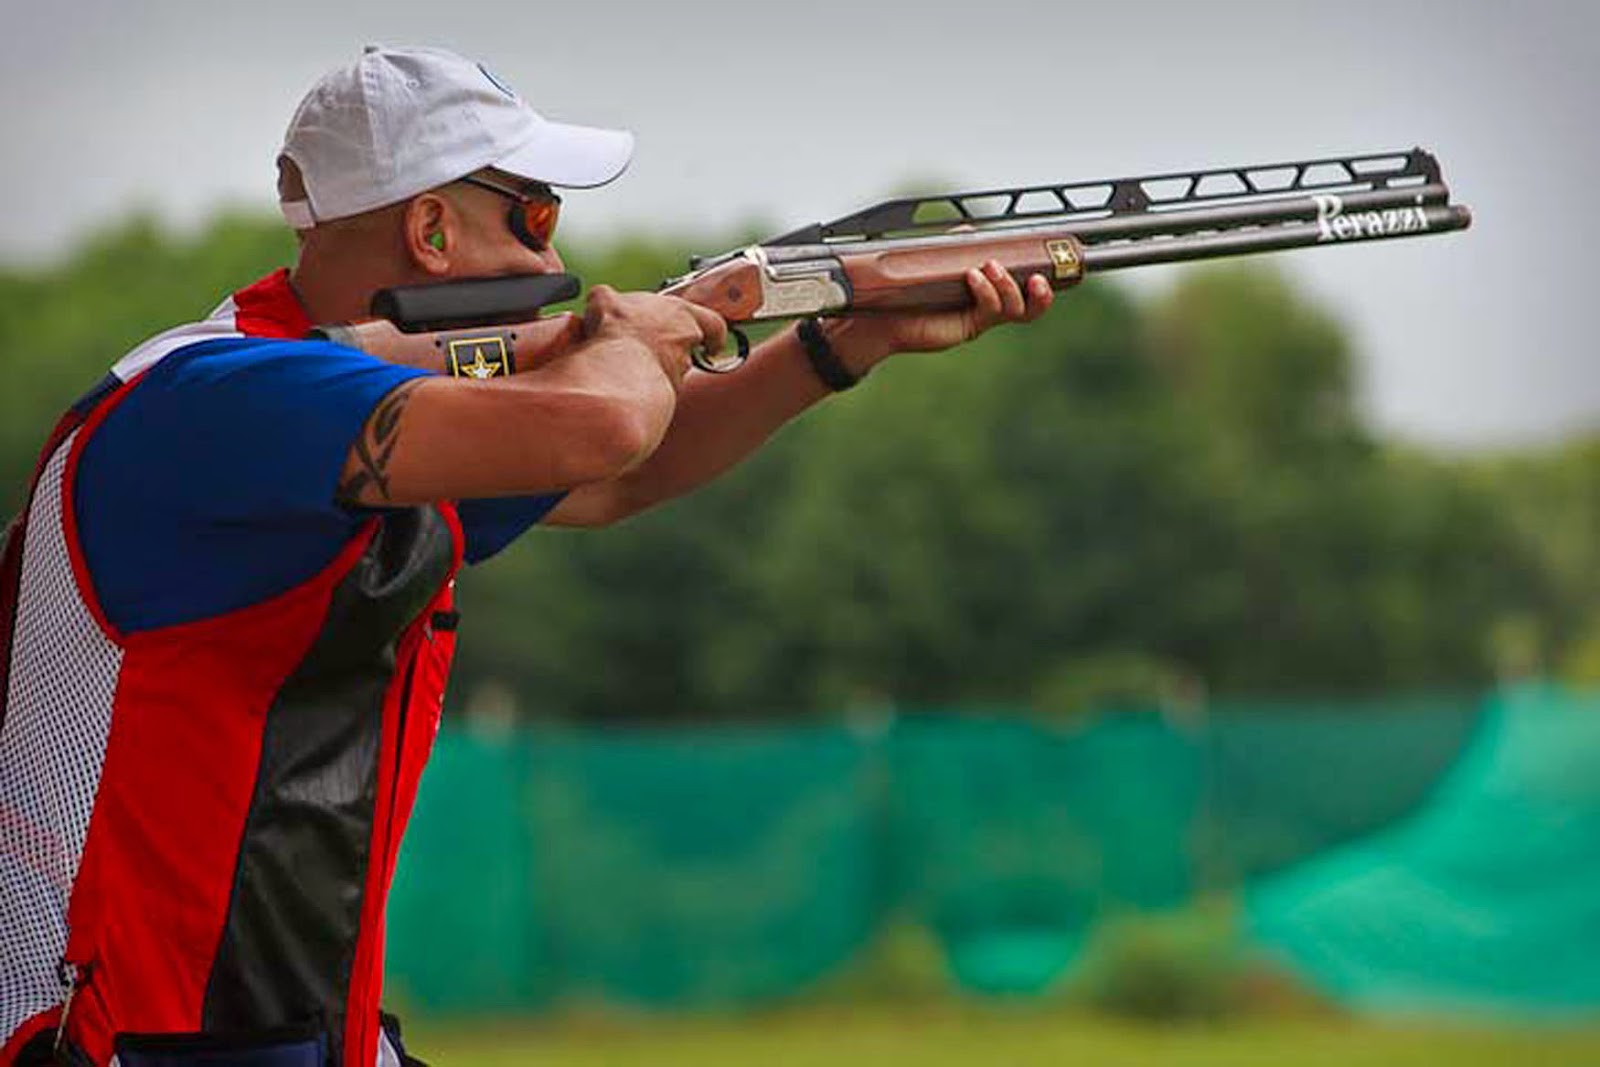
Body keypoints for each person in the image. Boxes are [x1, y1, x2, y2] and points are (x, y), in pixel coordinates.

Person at [0, 45, 1052, 1067]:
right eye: (535, 216)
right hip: (106, 1037)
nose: (554, 262)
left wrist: (839, 341)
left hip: (280, 1026)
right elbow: (603, 431)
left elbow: (617, 477)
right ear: (428, 230)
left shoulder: (341, 416)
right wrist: (626, 339)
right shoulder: (220, 398)